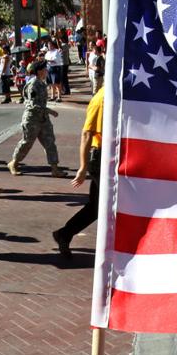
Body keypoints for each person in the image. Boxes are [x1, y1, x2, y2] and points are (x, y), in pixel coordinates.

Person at [52, 85, 104, 261]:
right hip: (101, 157)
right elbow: (86, 134)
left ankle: (64, 234)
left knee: (96, 207)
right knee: (105, 205)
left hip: (112, 156)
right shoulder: (101, 100)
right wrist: (83, 168)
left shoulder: (115, 95)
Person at [8, 61, 65, 177]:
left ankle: (55, 169)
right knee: (26, 143)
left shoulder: (41, 83)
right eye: (45, 69)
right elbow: (33, 105)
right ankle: (13, 163)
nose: (47, 71)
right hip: (32, 119)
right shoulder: (33, 84)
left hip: (43, 119)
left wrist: (46, 112)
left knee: (50, 143)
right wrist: (50, 111)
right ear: (39, 71)